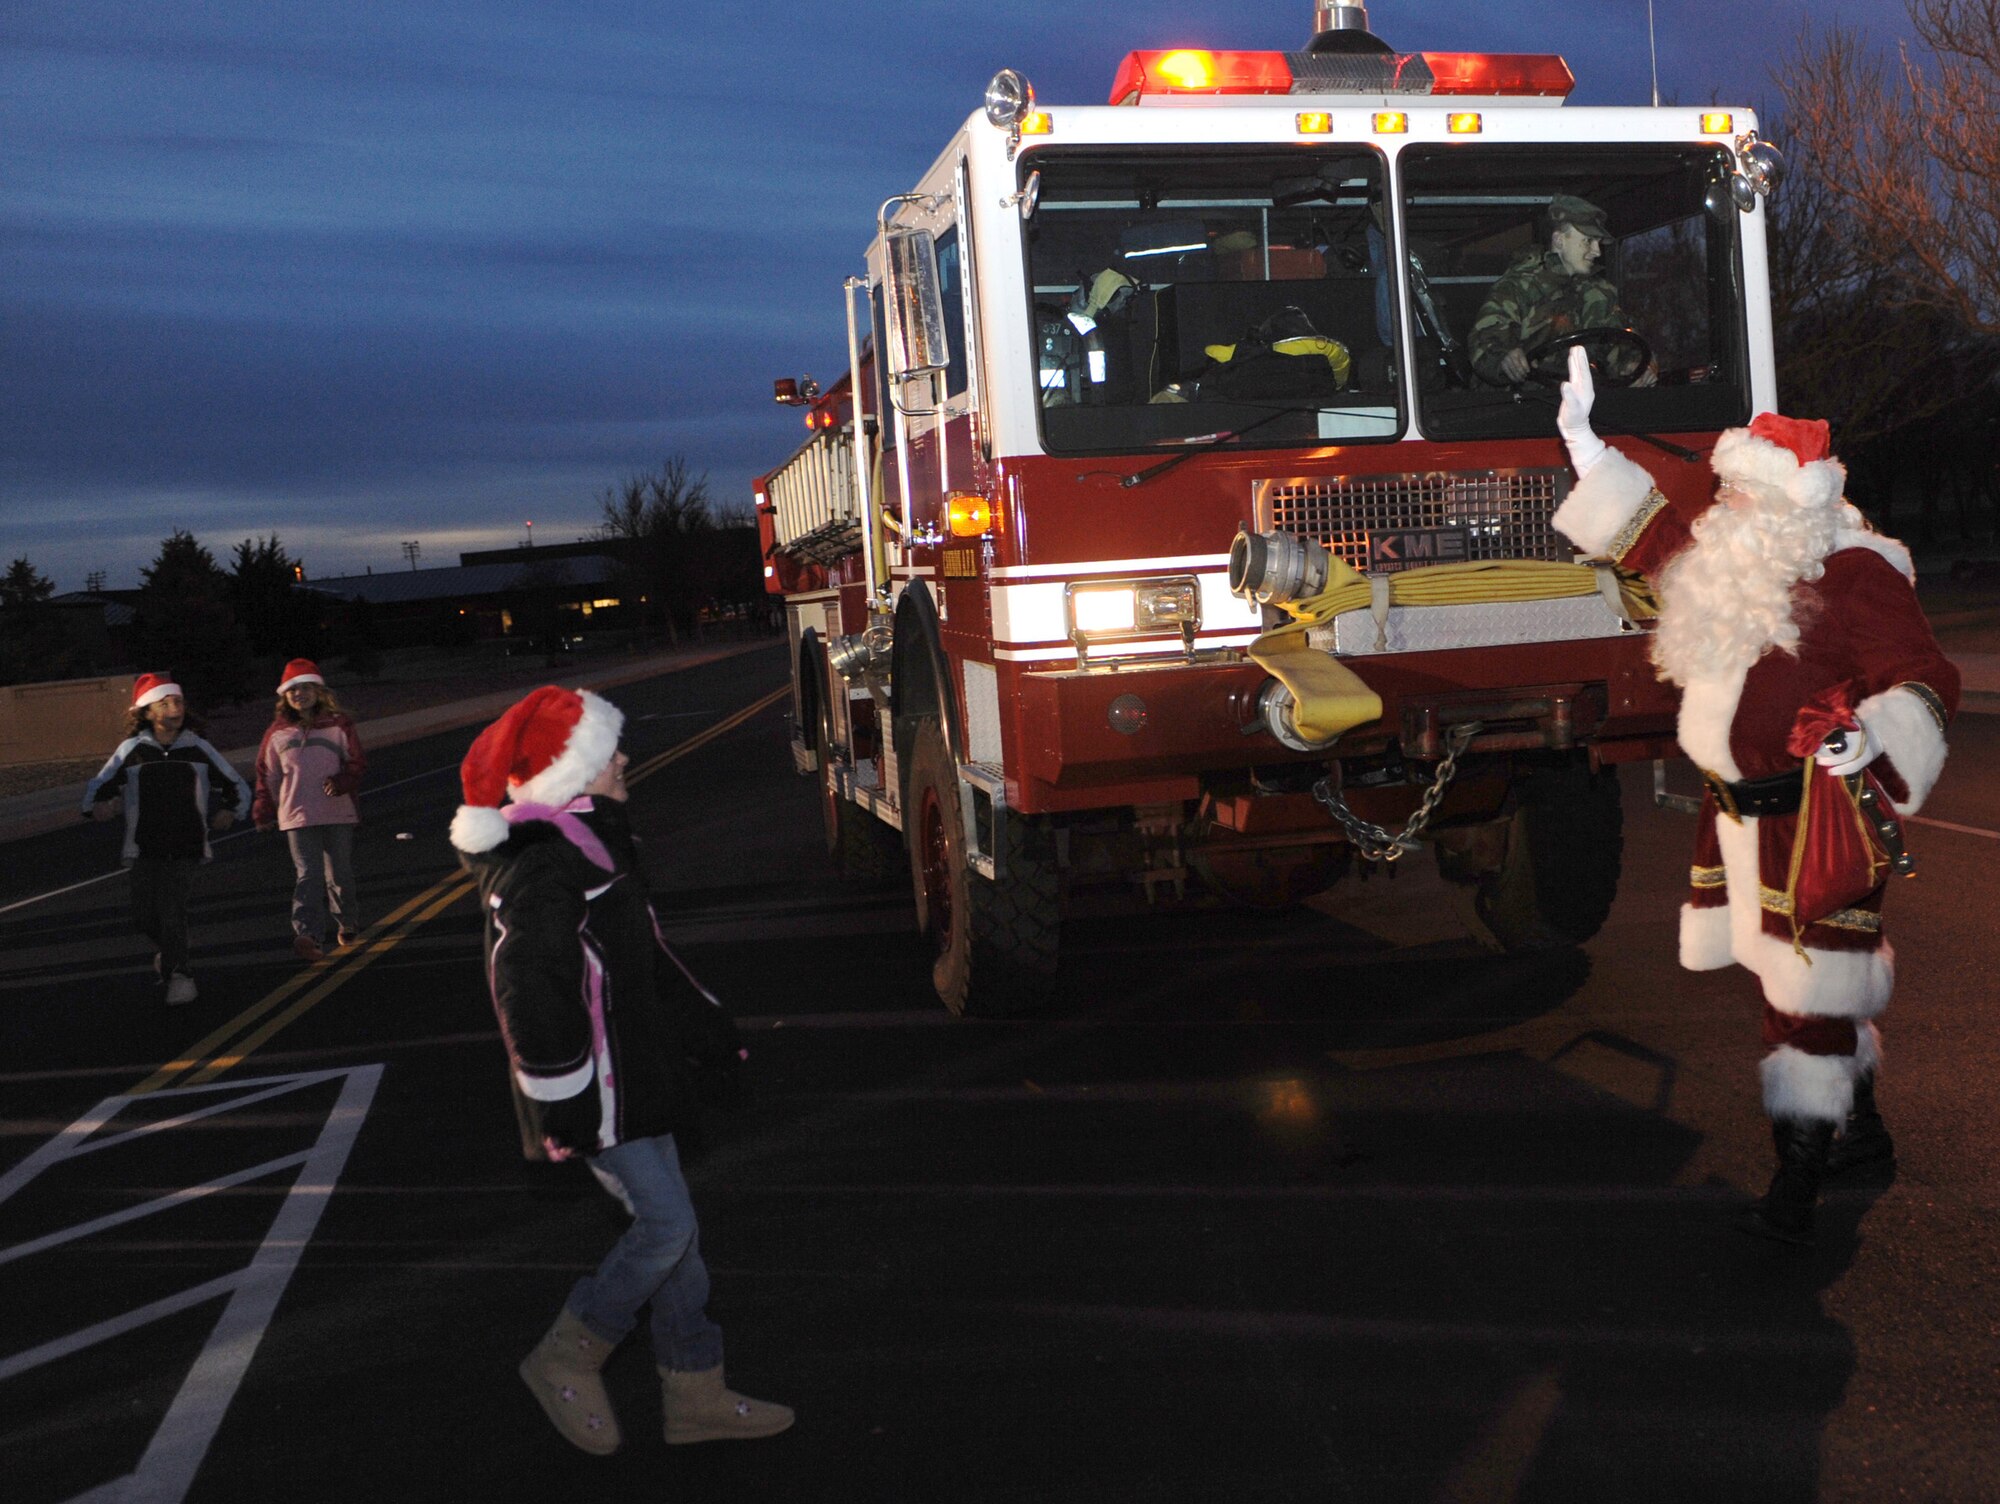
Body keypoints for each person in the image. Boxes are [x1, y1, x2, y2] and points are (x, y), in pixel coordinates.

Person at [1549, 346, 1959, 1245]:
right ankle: (1865, 1136)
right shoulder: (1732, 566)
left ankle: (1799, 1182)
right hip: (1735, 822)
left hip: (1814, 820)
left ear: (1787, 504)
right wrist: (1584, 445)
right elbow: (1652, 538)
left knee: (1802, 999)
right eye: (1724, 493)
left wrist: (1872, 736)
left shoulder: (1856, 574)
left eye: (1738, 496)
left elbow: (1924, 675)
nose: (1721, 509)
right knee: (1806, 989)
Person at [450, 685, 790, 1455]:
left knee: (676, 1234)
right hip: (597, 1095)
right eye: (609, 754)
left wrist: (705, 1027)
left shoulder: (591, 843)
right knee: (666, 1225)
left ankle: (693, 1392)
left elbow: (647, 962)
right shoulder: (544, 864)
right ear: (572, 774)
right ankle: (567, 1355)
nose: (625, 760)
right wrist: (559, 1099)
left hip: (636, 1077)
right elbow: (525, 984)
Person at [80, 673, 253, 1006]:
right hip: (143, 847)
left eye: (178, 701)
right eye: (165, 702)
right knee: (144, 916)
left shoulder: (198, 748)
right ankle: (171, 951)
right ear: (146, 712)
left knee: (172, 910)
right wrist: (99, 806)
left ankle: (180, 975)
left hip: (187, 845)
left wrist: (232, 812)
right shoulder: (132, 751)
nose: (175, 707)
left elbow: (236, 786)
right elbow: (97, 789)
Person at [1468, 194, 1655, 388]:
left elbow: (1620, 343)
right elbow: (1484, 345)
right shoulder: (1517, 288)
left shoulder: (1599, 293)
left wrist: (1632, 367)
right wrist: (1506, 360)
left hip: (1581, 401)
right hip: (1523, 403)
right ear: (1559, 241)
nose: (1597, 251)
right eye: (1588, 241)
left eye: (1598, 243)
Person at [252, 658, 366, 961]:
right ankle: (308, 934)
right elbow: (267, 774)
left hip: (337, 812)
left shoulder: (339, 725)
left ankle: (347, 921)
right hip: (297, 815)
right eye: (293, 690)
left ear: (318, 691)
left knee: (338, 873)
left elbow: (355, 763)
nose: (299, 694)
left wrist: (344, 781)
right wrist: (265, 809)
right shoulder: (277, 733)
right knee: (308, 875)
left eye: (305, 688)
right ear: (284, 696)